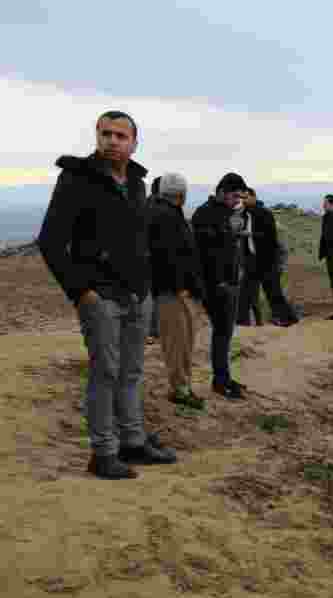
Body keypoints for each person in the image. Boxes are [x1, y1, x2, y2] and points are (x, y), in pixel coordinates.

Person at [37, 110, 176, 479]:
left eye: (120, 136)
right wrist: (81, 292)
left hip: (136, 294)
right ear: (97, 137)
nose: (112, 141)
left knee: (132, 373)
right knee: (105, 373)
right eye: (105, 134)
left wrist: (146, 287)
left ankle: (132, 442)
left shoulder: (136, 182)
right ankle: (103, 453)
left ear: (133, 142)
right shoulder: (76, 178)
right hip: (100, 297)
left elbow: (138, 239)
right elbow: (50, 241)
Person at [147, 172, 206, 410]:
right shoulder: (165, 216)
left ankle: (182, 386)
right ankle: (179, 389)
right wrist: (181, 287)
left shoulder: (162, 212)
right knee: (178, 342)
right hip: (173, 292)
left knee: (180, 340)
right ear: (181, 195)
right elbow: (169, 256)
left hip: (172, 290)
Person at [191, 172, 252, 400]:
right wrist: (219, 282)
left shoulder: (227, 213)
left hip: (230, 282)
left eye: (240, 197)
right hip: (217, 285)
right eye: (235, 196)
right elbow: (206, 253)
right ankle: (220, 380)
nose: (237, 201)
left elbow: (228, 245)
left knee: (225, 333)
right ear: (222, 192)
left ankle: (224, 377)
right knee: (222, 333)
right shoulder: (204, 214)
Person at [237, 188, 299, 327]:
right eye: (242, 199)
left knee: (273, 292)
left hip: (267, 260)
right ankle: (241, 321)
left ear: (253, 197)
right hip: (252, 260)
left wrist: (250, 234)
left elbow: (270, 237)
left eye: (246, 198)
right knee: (245, 291)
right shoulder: (245, 214)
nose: (244, 201)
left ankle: (288, 318)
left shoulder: (265, 214)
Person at [146, 175, 163, 342]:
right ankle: (153, 331)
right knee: (155, 295)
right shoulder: (158, 208)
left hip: (146, 256)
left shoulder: (144, 203)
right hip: (155, 257)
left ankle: (153, 330)